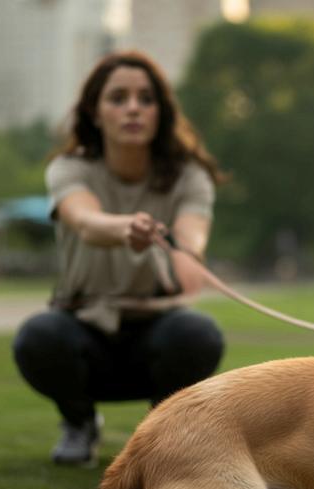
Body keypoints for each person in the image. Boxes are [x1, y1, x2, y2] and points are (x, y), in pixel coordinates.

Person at [13, 51, 225, 466]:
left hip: (158, 333)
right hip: (83, 333)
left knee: (199, 332)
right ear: (94, 111)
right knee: (39, 335)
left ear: (160, 112)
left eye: (146, 99)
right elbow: (85, 220)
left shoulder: (190, 176)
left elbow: (192, 237)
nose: (133, 108)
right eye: (118, 97)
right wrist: (125, 229)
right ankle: (79, 422)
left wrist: (186, 248)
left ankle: (161, 435)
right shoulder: (68, 169)